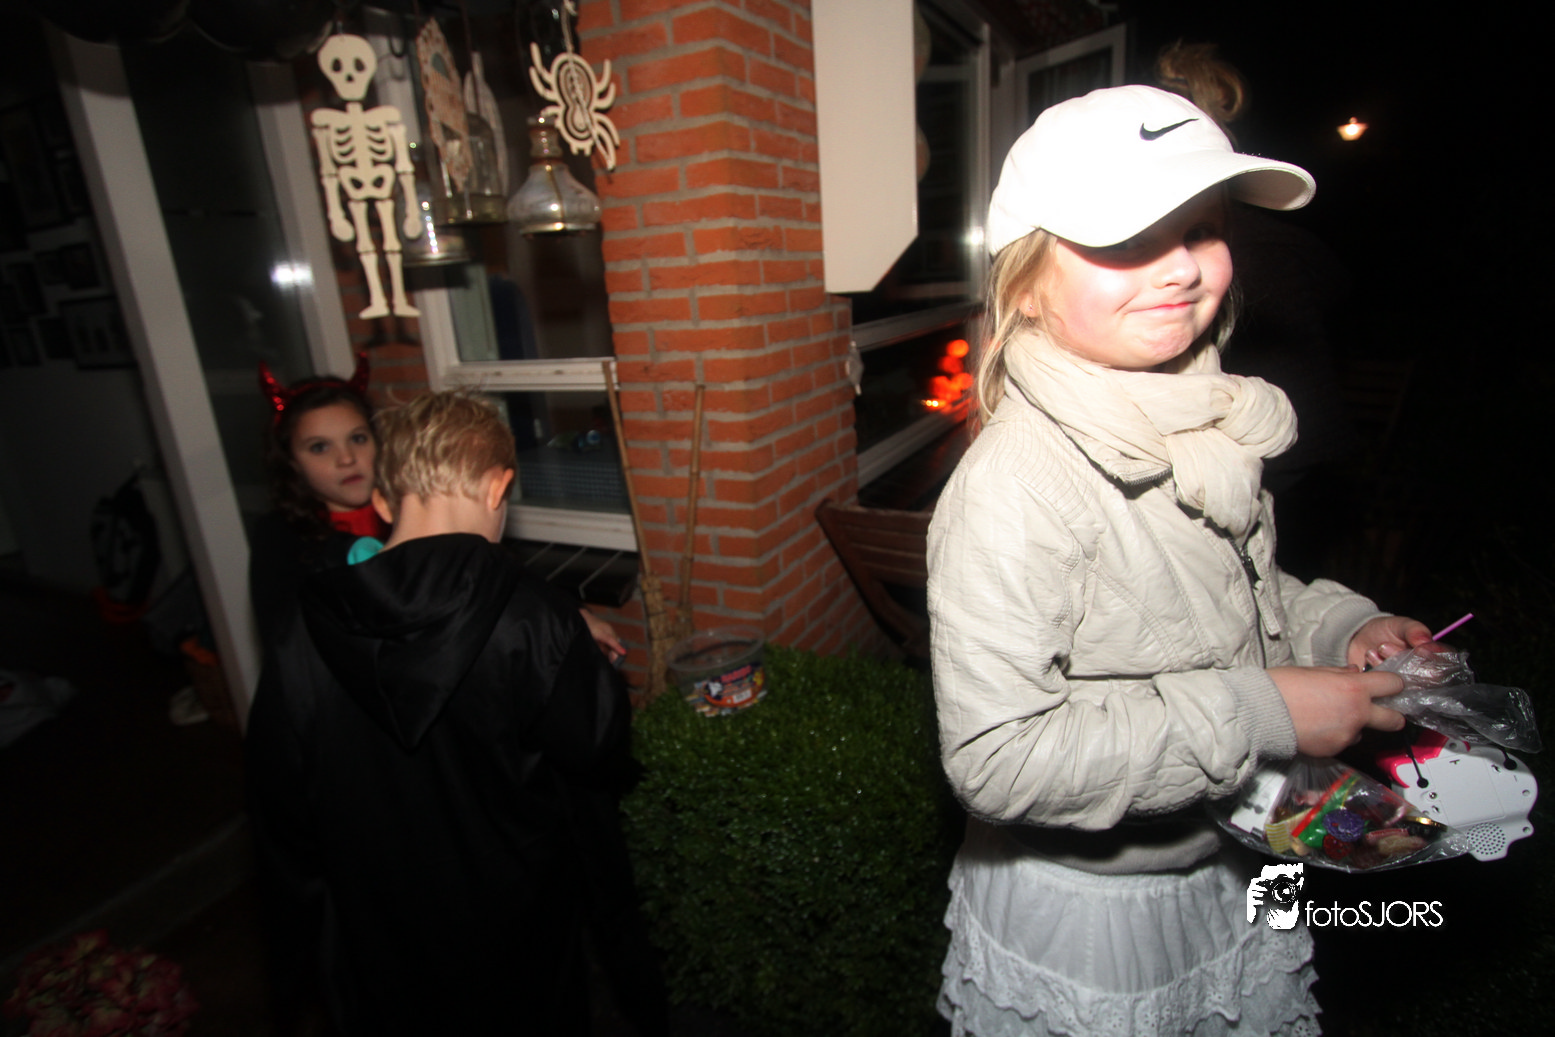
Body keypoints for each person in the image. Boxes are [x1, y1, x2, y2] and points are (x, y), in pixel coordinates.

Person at [928, 85, 1432, 1036]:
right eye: (1125, 238)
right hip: (1105, 911)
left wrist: (1340, 626)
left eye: (1200, 228)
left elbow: (1221, 589)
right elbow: (998, 757)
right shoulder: (1015, 486)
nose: (1179, 268)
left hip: (1245, 841)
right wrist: (1264, 710)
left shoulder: (1199, 418)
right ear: (1025, 281)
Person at [246, 390, 660, 1035]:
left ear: (385, 502)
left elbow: (281, 798)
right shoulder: (534, 620)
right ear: (498, 487)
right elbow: (597, 745)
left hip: (382, 924)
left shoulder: (303, 627)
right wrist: (582, 661)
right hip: (515, 916)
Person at [249, 355, 388, 660]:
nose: (347, 458)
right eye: (320, 447)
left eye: (358, 439)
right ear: (292, 462)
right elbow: (287, 647)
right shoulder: (281, 540)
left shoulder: (411, 511)